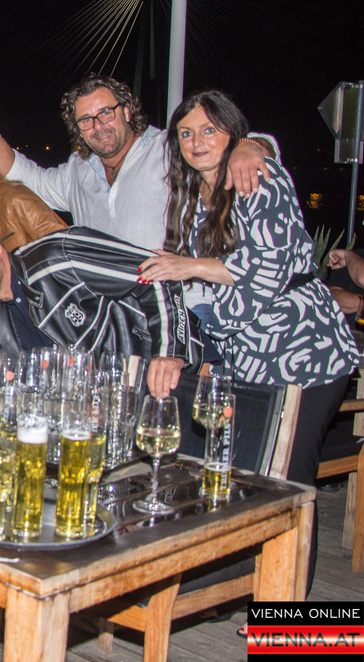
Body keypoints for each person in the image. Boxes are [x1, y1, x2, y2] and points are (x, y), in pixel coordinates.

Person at [139, 89, 357, 492]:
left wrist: (189, 266)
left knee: (286, 485)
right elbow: (202, 294)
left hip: (301, 350)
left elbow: (267, 268)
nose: (196, 141)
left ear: (232, 134)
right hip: (248, 358)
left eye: (209, 130)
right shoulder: (194, 198)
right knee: (245, 481)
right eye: (186, 134)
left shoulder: (256, 175)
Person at [0, 74, 273, 250]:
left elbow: (216, 145)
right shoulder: (78, 170)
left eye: (105, 113)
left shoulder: (166, 148)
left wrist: (247, 146)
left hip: (175, 302)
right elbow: (29, 179)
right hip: (109, 310)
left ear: (126, 110)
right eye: (86, 120)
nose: (98, 126)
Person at [0, 219, 198, 398]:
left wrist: (170, 352)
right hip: (99, 413)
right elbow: (3, 379)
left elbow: (158, 274)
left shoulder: (57, 254)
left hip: (163, 381)